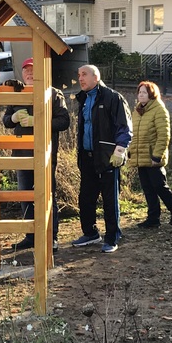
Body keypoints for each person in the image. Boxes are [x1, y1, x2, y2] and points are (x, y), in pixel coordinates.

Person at [1, 58, 71, 251]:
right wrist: (13, 118)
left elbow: (64, 121)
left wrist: (37, 120)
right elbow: (6, 120)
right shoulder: (17, 93)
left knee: (47, 195)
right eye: (26, 71)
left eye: (33, 70)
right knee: (25, 195)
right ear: (22, 74)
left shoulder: (53, 94)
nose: (30, 74)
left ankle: (51, 236)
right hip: (21, 154)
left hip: (45, 155)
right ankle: (31, 236)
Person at [70, 65, 132, 253]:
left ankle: (112, 237)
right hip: (87, 157)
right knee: (86, 198)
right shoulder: (82, 99)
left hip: (107, 157)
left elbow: (124, 126)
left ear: (96, 77)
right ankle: (90, 233)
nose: (80, 78)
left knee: (109, 199)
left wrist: (120, 150)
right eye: (79, 74)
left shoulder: (113, 98)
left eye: (84, 75)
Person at [128, 81, 172, 228]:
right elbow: (133, 134)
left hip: (153, 157)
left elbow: (164, 135)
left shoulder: (159, 109)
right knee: (148, 189)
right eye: (139, 92)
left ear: (152, 94)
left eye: (144, 92)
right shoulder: (137, 111)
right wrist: (131, 151)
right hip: (140, 156)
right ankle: (153, 218)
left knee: (159, 186)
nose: (141, 95)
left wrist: (157, 155)